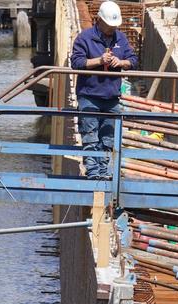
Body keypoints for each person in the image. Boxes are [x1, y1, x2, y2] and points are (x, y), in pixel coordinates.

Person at [70, 1, 138, 180]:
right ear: (99, 20)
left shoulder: (120, 38)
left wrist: (121, 62)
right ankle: (93, 174)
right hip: (89, 95)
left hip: (111, 97)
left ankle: (105, 173)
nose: (112, 29)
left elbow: (133, 60)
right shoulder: (85, 38)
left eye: (114, 26)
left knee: (108, 138)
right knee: (90, 137)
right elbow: (76, 62)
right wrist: (99, 61)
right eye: (109, 25)